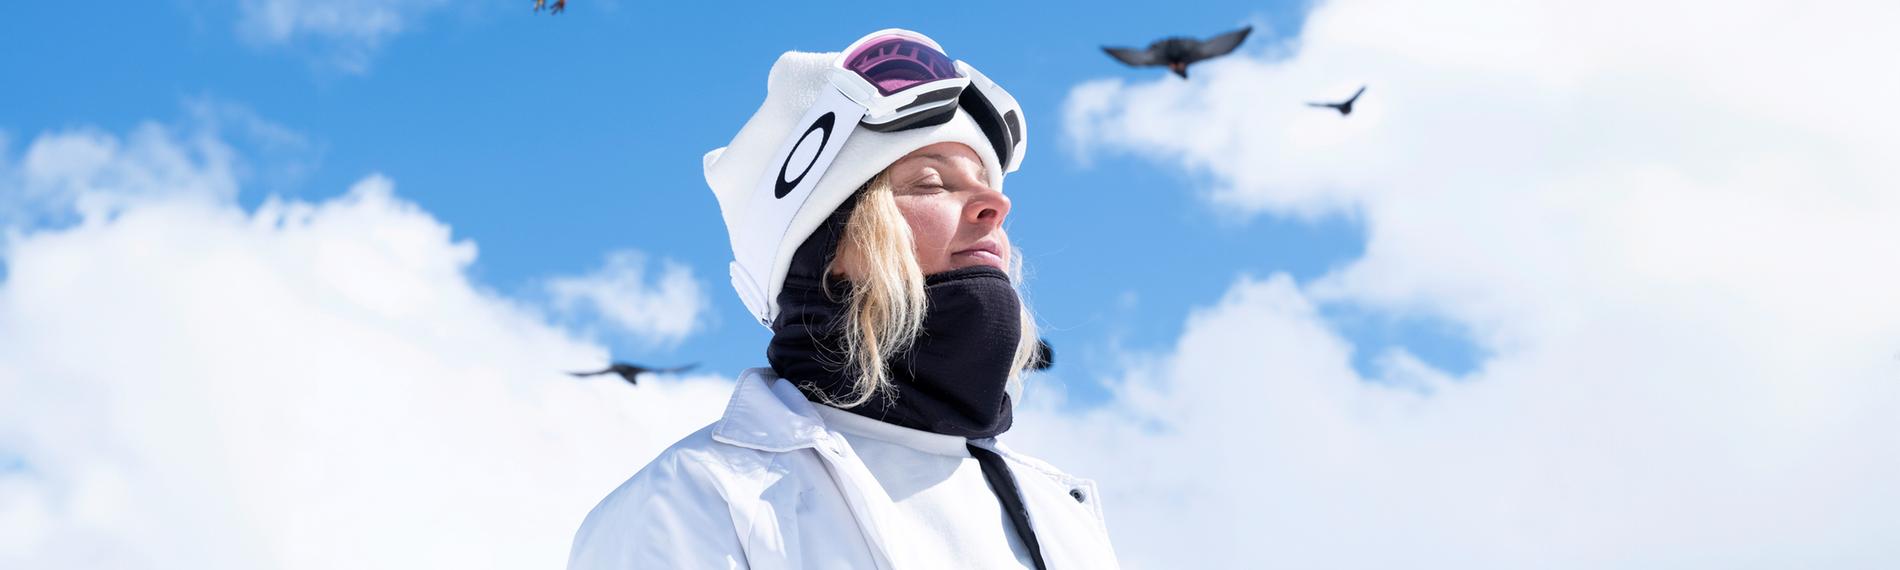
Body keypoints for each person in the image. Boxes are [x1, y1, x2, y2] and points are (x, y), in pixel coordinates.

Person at [568, 29, 1119, 569]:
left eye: (988, 181)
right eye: (930, 183)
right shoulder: (699, 501)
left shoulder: (1060, 518)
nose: (995, 204)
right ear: (823, 250)